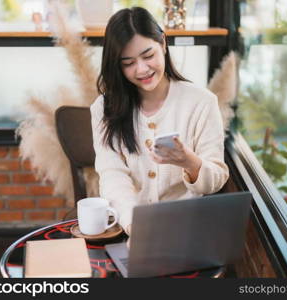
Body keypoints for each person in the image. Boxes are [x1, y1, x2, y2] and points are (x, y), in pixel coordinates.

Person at [90, 7, 229, 238]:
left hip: (188, 230)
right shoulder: (104, 108)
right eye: (128, 63)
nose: (142, 69)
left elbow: (215, 179)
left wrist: (190, 162)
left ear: (163, 44)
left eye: (148, 56)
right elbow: (112, 175)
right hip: (130, 228)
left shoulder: (202, 102)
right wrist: (136, 226)